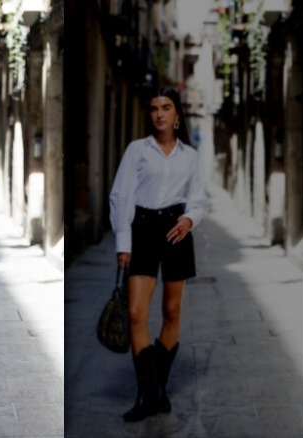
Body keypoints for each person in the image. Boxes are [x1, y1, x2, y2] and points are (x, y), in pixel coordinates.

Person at [109, 87, 210, 422]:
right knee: (137, 313)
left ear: (176, 114)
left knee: (171, 311)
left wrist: (189, 218)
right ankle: (147, 392)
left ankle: (158, 389)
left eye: (166, 107)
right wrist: (124, 243)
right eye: (154, 108)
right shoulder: (138, 150)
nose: (159, 114)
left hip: (177, 231)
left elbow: (199, 198)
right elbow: (121, 195)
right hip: (143, 230)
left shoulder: (190, 157)